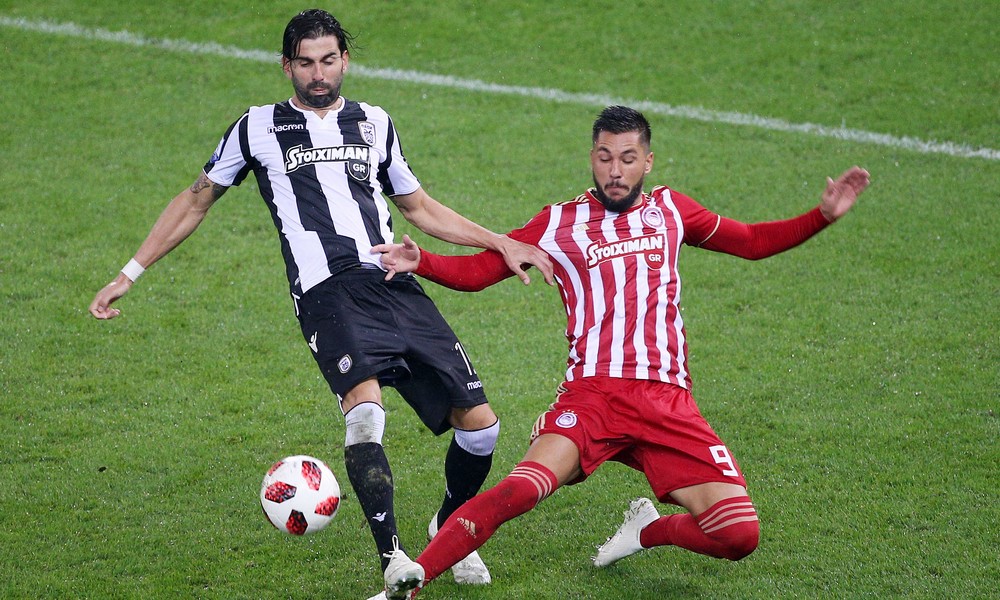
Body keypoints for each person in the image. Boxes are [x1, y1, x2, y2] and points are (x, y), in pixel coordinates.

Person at [88, 9, 553, 598]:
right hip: (325, 292)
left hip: (393, 281)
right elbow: (195, 200)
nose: (318, 74)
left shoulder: (375, 122)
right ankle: (393, 558)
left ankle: (447, 525)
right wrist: (129, 272)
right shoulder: (257, 127)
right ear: (286, 66)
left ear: (344, 61)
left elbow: (418, 206)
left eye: (328, 61)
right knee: (366, 412)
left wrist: (500, 242)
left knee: (481, 426)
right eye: (305, 63)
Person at [373, 105, 871, 598]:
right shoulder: (558, 223)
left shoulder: (672, 210)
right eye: (605, 157)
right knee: (521, 489)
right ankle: (408, 587)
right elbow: (482, 271)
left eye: (628, 159)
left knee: (738, 535)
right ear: (592, 157)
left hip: (667, 401)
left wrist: (821, 217)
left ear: (647, 162)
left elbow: (752, 241)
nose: (615, 171)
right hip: (593, 397)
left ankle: (646, 531)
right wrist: (424, 262)